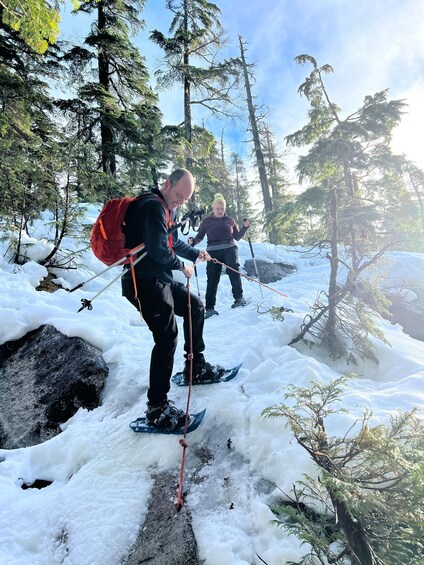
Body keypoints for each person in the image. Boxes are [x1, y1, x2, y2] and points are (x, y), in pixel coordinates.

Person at [121, 168, 221, 431]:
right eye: (179, 194)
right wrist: (182, 267)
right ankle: (156, 409)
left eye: (185, 198)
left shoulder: (168, 210)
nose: (181, 201)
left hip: (159, 278)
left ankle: (194, 366)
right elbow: (158, 251)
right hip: (141, 281)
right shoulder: (152, 207)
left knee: (195, 307)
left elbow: (173, 243)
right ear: (167, 184)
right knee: (166, 336)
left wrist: (197, 253)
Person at [189, 193, 250, 319]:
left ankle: (239, 299)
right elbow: (200, 236)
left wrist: (245, 228)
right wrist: (193, 242)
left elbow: (237, 237)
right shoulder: (206, 221)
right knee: (212, 278)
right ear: (213, 208)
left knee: (234, 271)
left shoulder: (230, 220)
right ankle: (210, 308)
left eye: (222, 209)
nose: (220, 211)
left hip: (229, 248)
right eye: (218, 208)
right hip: (212, 251)